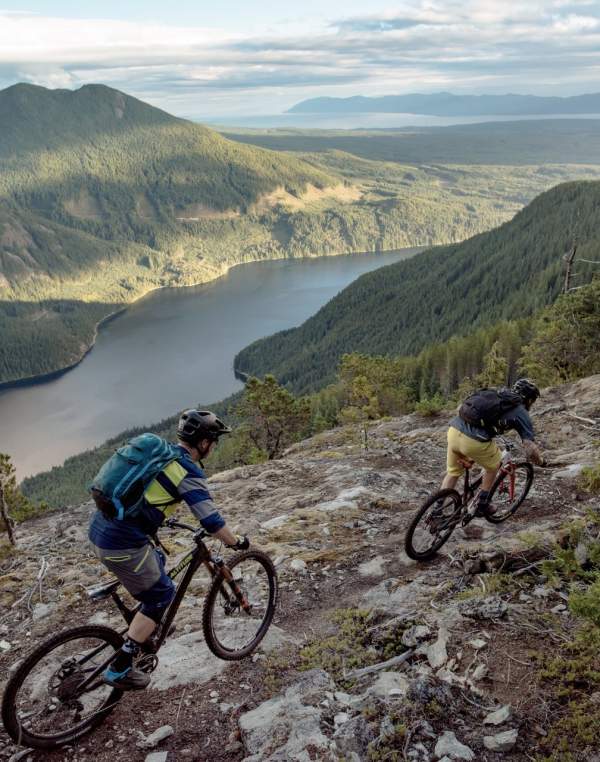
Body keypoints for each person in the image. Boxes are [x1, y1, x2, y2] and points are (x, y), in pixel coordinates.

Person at [88, 409, 248, 690]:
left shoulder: (160, 454)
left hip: (100, 530)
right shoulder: (187, 470)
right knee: (162, 595)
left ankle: (147, 625)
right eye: (213, 441)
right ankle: (120, 666)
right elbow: (212, 522)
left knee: (159, 558)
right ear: (204, 443)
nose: (213, 446)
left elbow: (148, 493)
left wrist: (161, 516)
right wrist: (236, 542)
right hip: (121, 544)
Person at [441, 378, 544, 515]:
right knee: (495, 465)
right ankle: (482, 505)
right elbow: (529, 446)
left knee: (453, 472)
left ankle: (437, 510)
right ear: (529, 400)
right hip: (473, 441)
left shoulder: (498, 393)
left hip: (454, 431)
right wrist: (541, 461)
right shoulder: (521, 411)